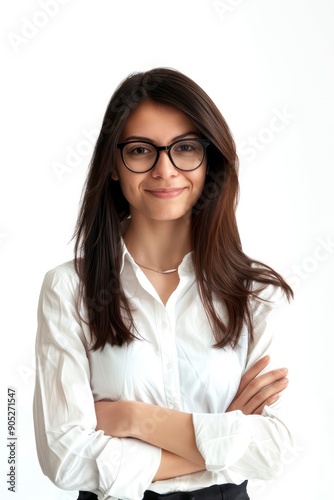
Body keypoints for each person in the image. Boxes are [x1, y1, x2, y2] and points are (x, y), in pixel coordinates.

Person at [33, 67, 294, 500]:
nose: (165, 169)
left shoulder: (256, 294)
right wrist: (224, 434)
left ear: (208, 160)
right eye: (140, 151)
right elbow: (66, 457)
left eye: (185, 148)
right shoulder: (69, 289)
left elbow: (277, 449)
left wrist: (135, 418)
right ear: (113, 166)